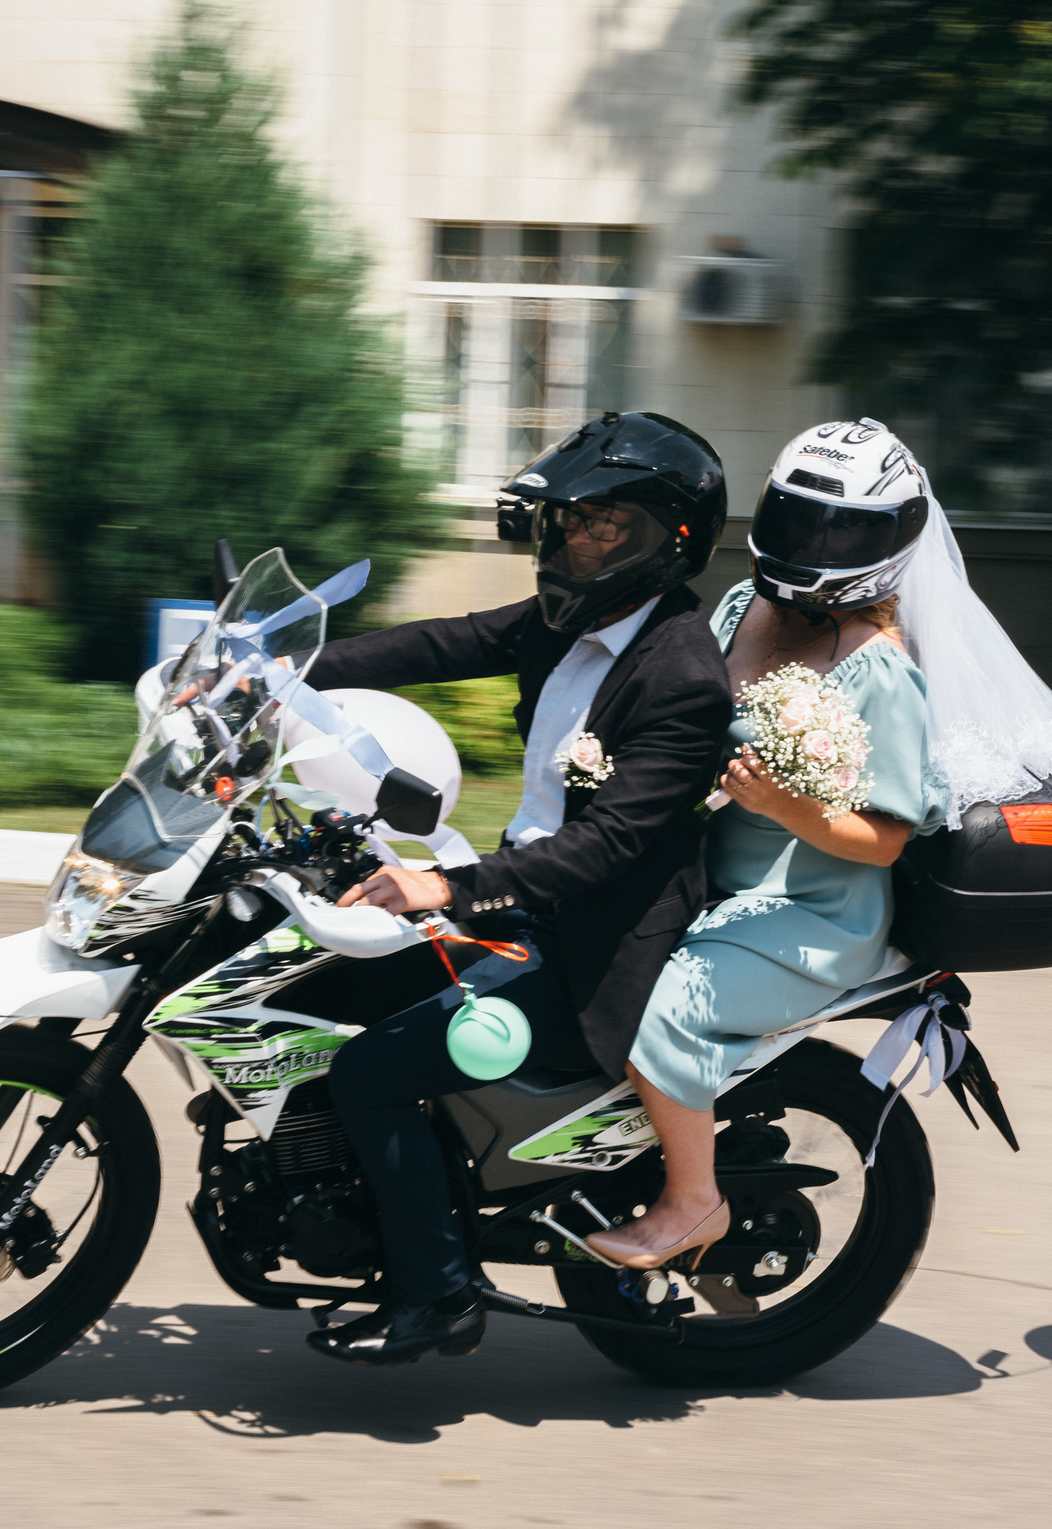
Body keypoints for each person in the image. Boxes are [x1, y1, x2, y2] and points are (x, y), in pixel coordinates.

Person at [581, 418, 1052, 1271]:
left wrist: (782, 800)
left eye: (842, 528)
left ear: (893, 542)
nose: (814, 542)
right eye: (799, 516)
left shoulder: (877, 670)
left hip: (811, 908)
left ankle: (692, 1201)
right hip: (710, 876)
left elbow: (881, 839)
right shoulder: (745, 607)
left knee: (661, 1007)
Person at [299, 410, 735, 1365]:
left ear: (669, 539)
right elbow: (438, 645)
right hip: (527, 904)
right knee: (316, 995)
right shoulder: (570, 619)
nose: (578, 539)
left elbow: (609, 847)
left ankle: (437, 1297)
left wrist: (447, 888)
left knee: (370, 1073)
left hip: (592, 942)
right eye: (572, 521)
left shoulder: (681, 674)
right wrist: (281, 672)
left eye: (605, 525)